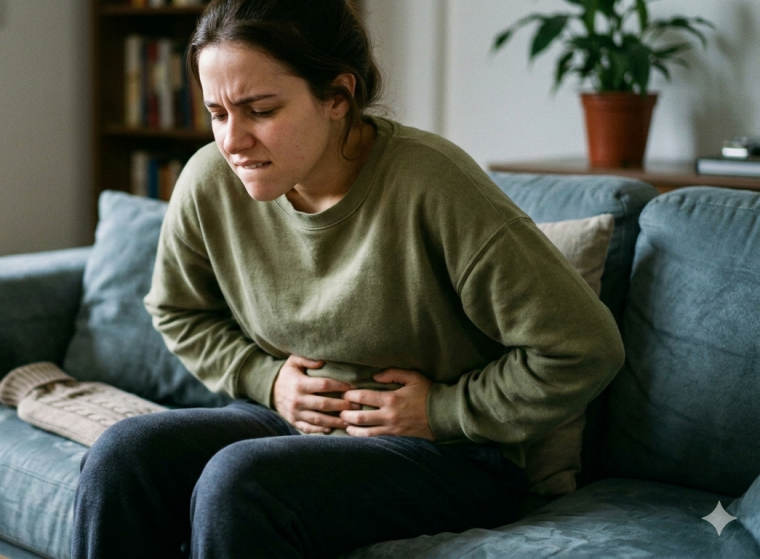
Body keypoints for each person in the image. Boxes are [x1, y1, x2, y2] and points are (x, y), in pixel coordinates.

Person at [72, 0, 625, 557]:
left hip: (449, 452)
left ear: (338, 96)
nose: (232, 141)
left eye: (260, 110)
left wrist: (443, 410)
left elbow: (584, 347)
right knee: (124, 454)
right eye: (218, 113)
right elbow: (177, 309)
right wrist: (266, 379)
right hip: (287, 425)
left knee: (242, 482)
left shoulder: (434, 184)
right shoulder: (210, 182)